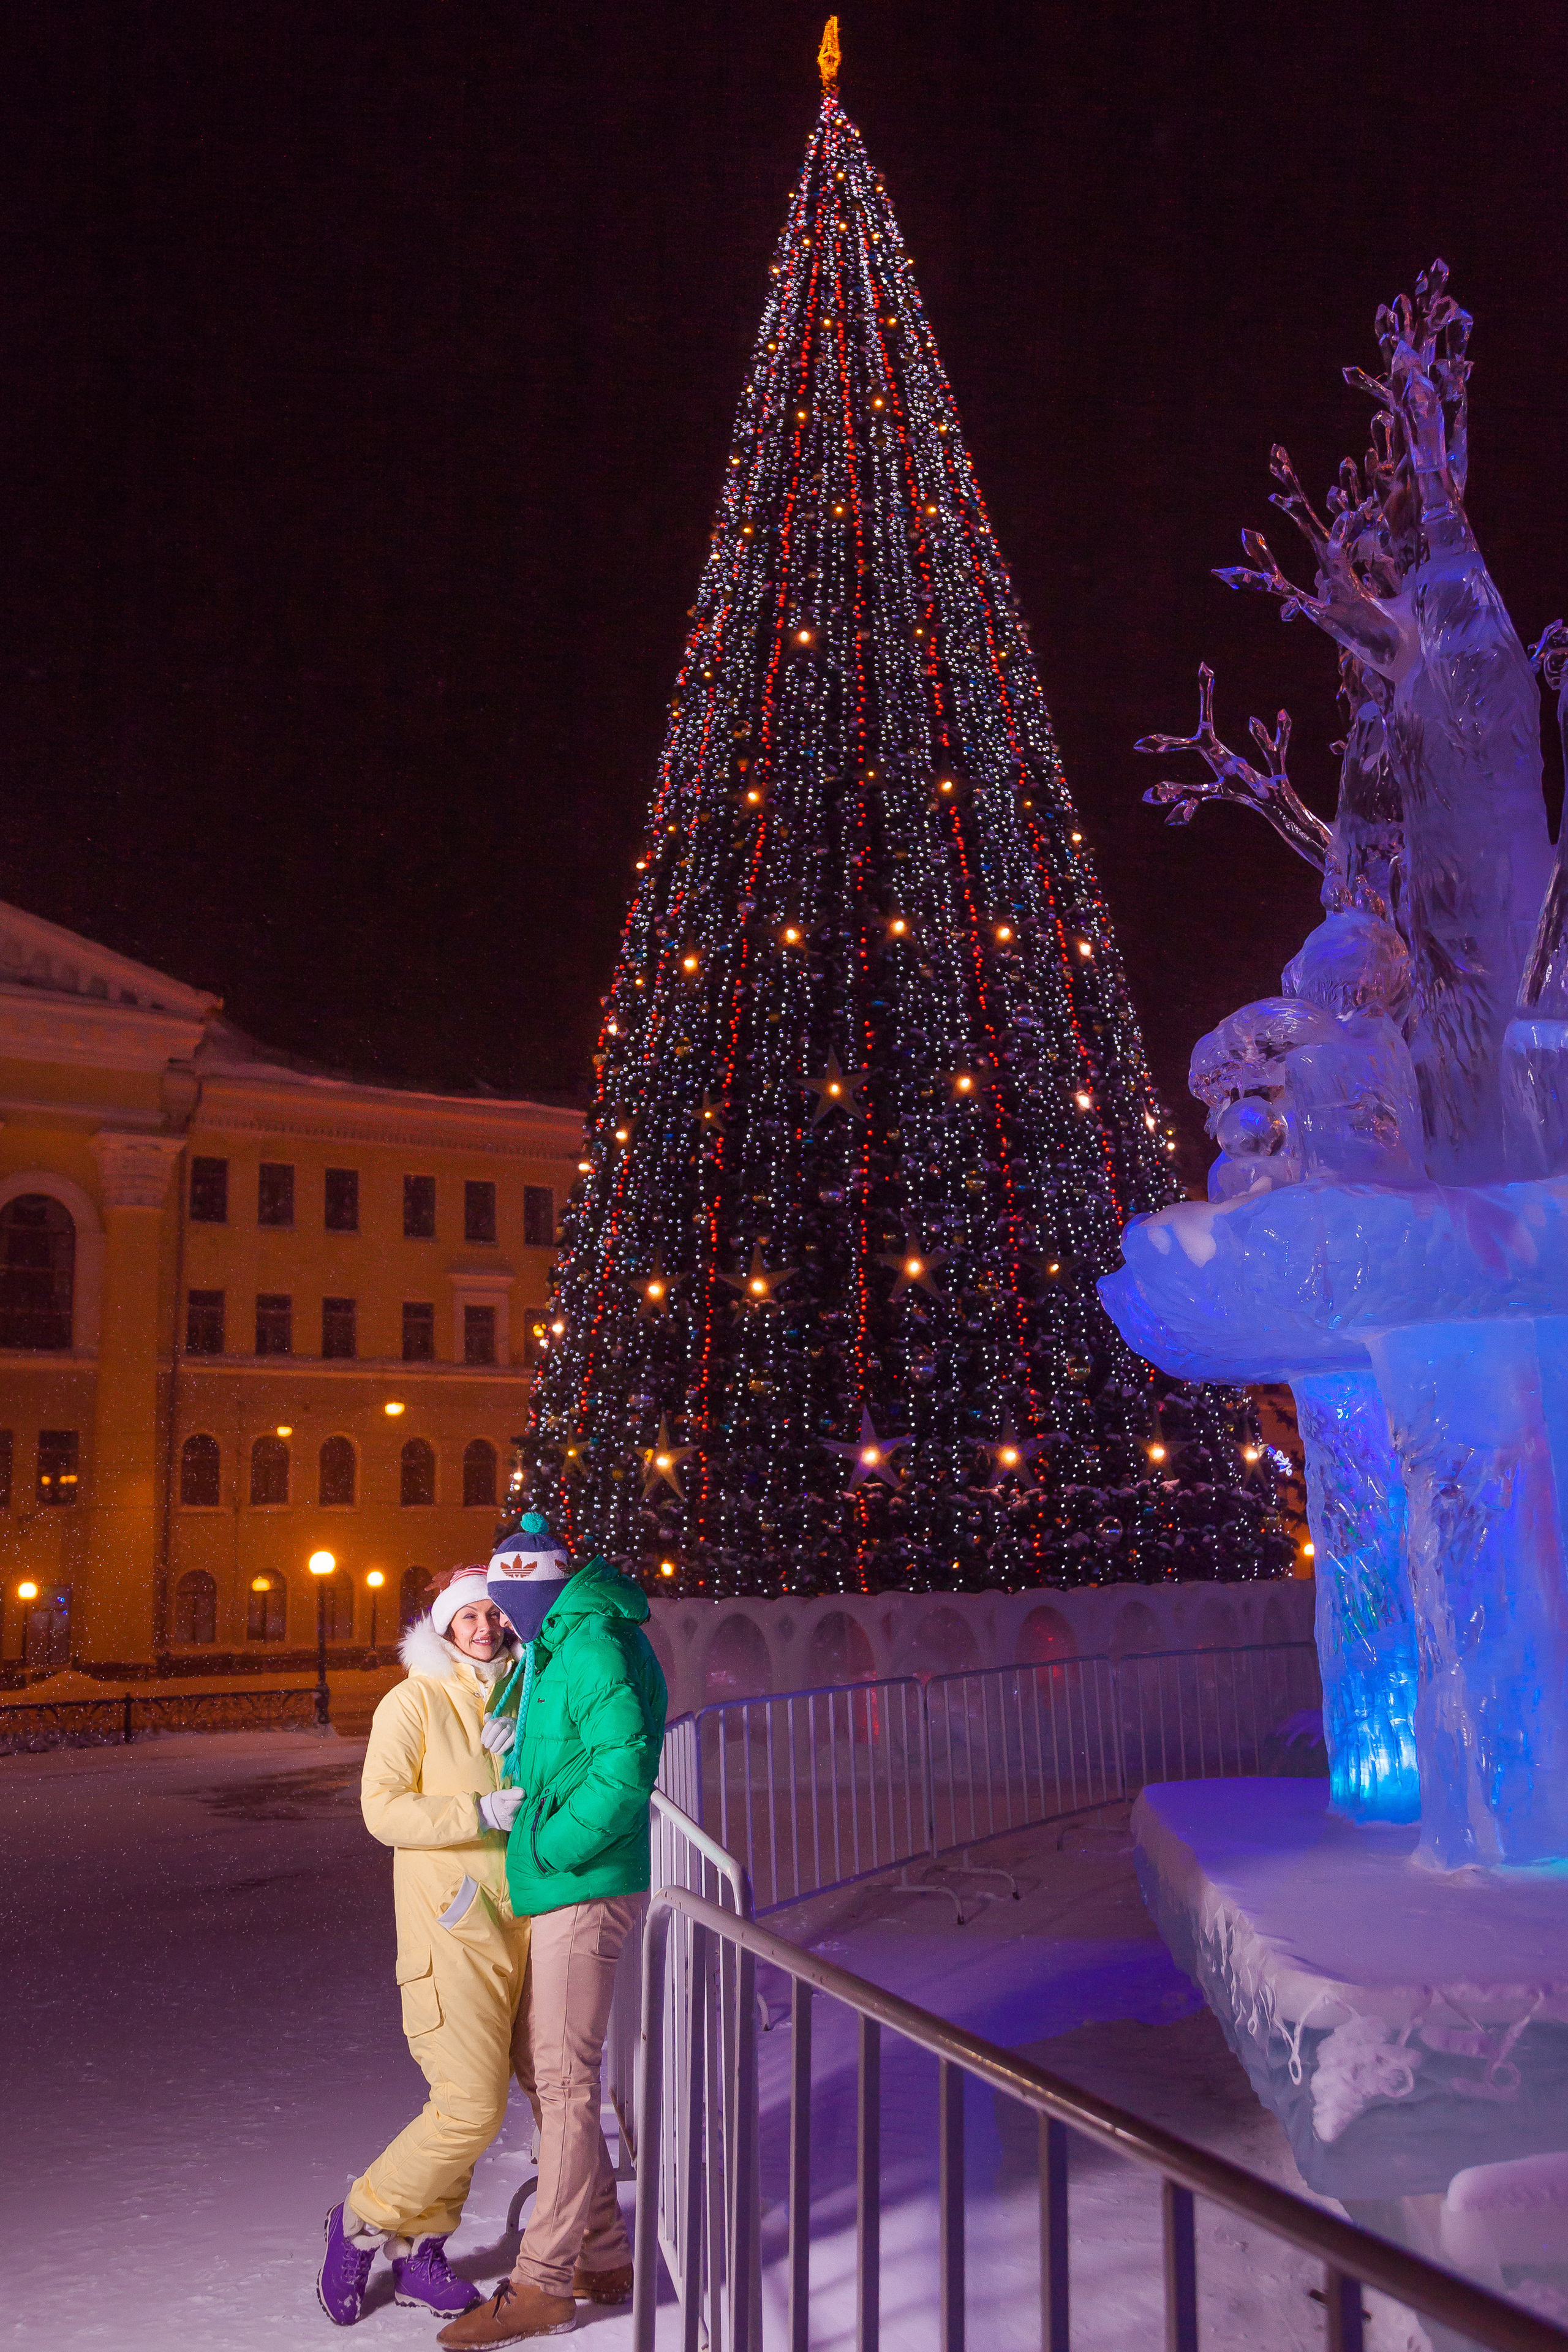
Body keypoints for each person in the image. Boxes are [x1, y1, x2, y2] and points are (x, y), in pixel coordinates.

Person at [438, 1512, 669, 2348]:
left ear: (538, 1586)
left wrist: (551, 1841)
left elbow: (625, 1767)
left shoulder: (588, 1641)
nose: (500, 1613)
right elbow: (564, 1751)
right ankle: (605, 2254)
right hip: (560, 1882)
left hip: (585, 1882)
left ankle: (541, 2283)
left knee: (566, 2082)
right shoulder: (557, 1642)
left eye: (510, 1595)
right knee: (550, 2075)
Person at [317, 1567, 529, 2326]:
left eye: (491, 1612)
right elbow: (384, 1811)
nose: (481, 1626)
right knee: (471, 2107)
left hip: (521, 1923)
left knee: (467, 2103)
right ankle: (361, 2220)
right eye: (465, 1615)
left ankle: (421, 2254)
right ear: (441, 1627)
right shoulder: (413, 1701)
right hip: (451, 1928)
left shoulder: (521, 1698)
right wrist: (478, 1810)